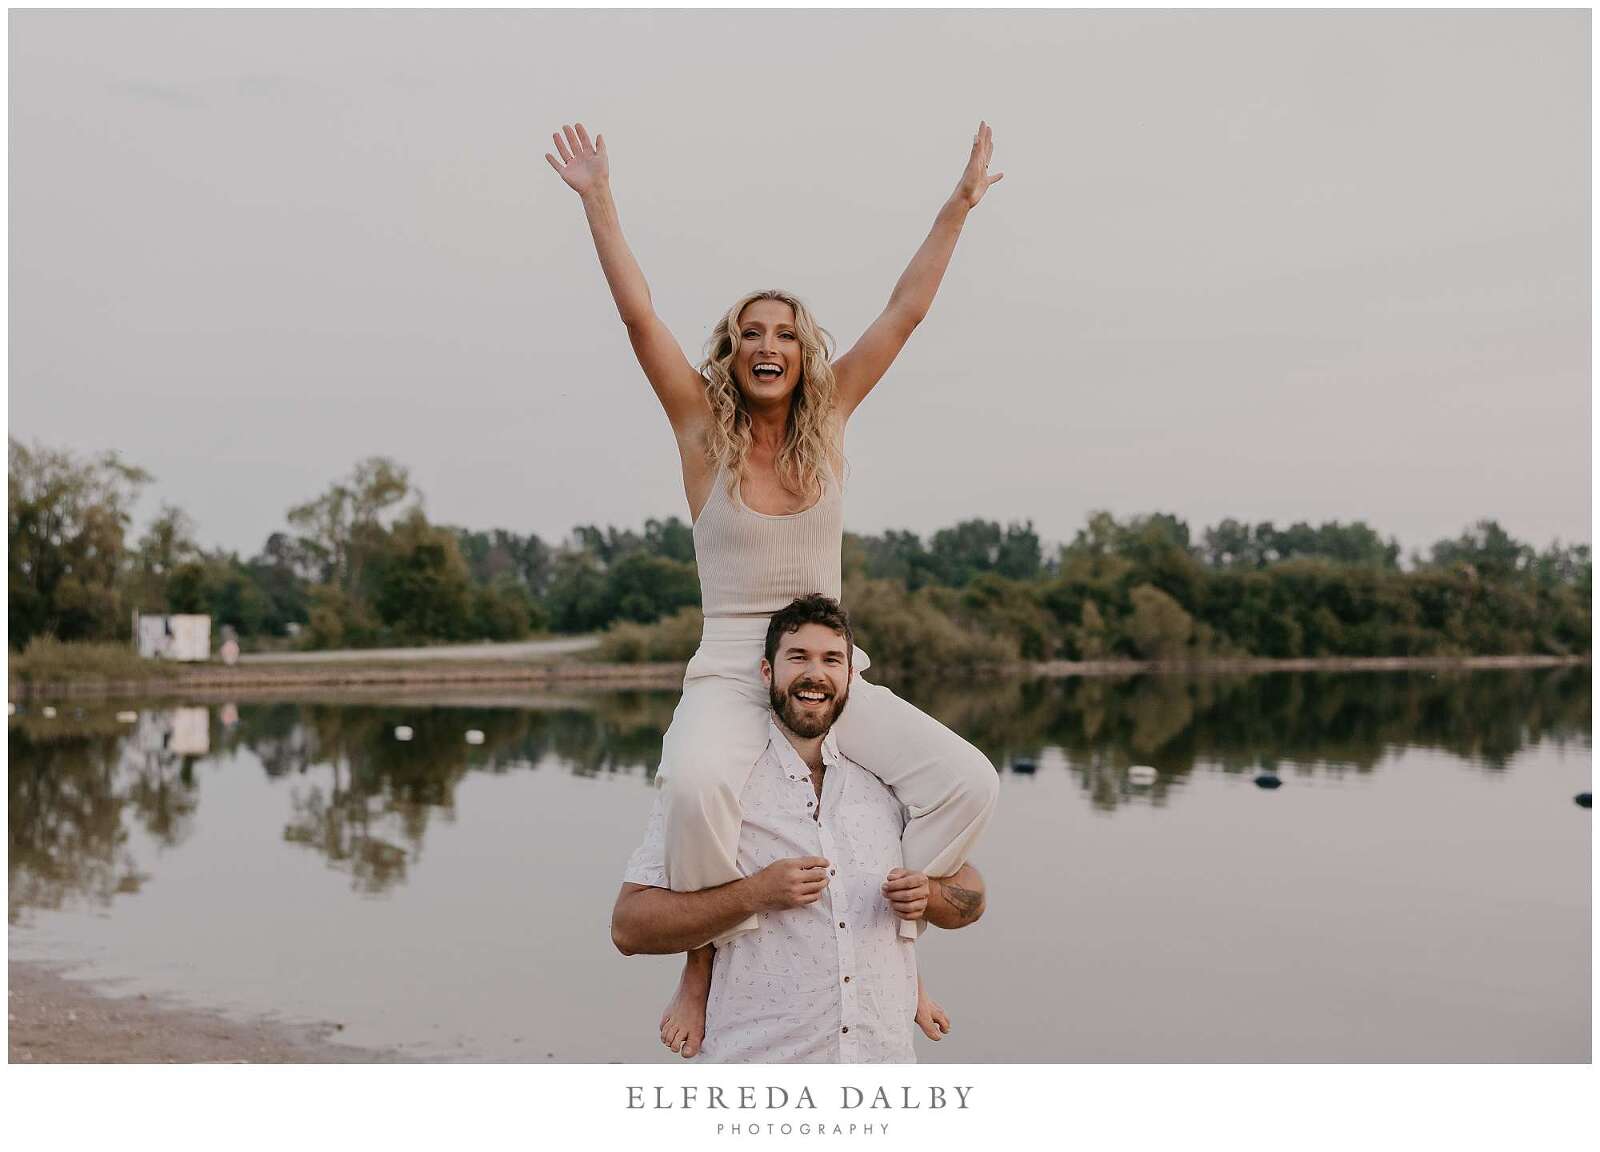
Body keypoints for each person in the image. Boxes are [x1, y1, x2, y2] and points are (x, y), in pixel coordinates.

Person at [546, 119, 1003, 1055]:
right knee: (694, 785)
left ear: (803, 354)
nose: (768, 344)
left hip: (828, 667)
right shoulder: (698, 432)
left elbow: (904, 313)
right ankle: (703, 962)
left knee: (970, 782)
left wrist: (959, 205)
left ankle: (901, 949)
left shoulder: (828, 425)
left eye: (785, 334)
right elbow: (639, 319)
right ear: (731, 351)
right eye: (751, 332)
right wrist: (599, 201)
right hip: (730, 666)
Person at [611, 596, 987, 1063]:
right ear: (767, 672)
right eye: (798, 657)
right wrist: (754, 895)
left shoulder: (887, 782)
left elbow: (972, 896)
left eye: (832, 660)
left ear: (851, 676)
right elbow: (629, 927)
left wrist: (928, 896)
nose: (815, 674)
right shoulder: (715, 783)